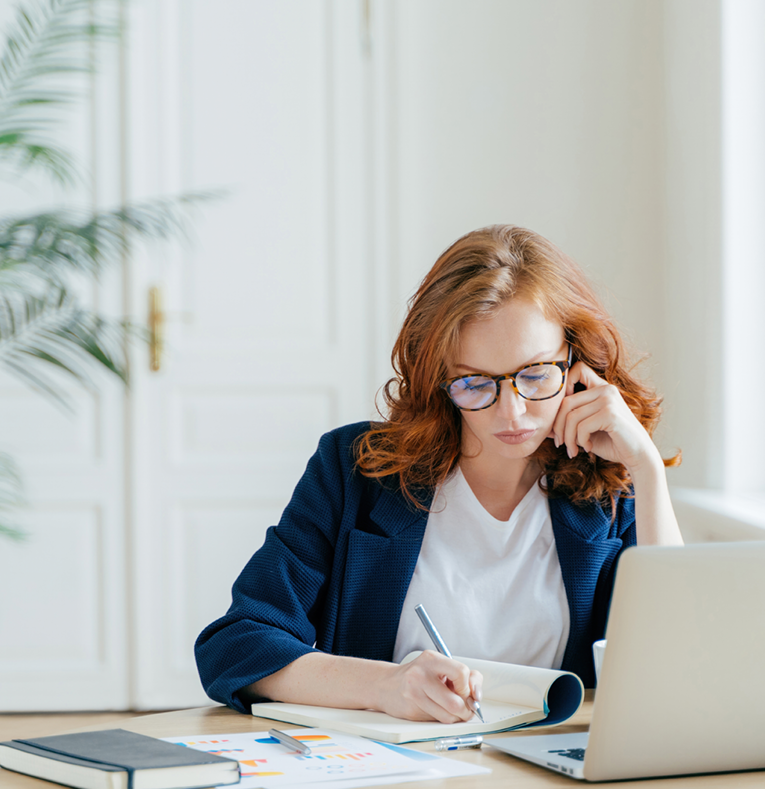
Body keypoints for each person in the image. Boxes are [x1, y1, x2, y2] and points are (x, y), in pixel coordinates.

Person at [195, 224, 683, 724]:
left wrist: (646, 470)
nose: (511, 413)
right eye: (473, 383)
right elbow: (235, 646)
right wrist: (384, 686)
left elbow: (678, 666)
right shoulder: (355, 470)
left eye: (536, 375)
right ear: (438, 378)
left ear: (575, 362)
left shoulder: (608, 489)